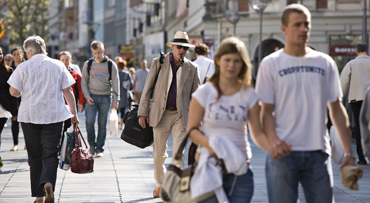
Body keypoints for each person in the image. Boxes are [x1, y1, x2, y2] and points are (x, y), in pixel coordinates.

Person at [255, 4, 356, 203]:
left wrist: (348, 152)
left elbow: (336, 108)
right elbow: (265, 111)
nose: (303, 29)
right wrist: (273, 141)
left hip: (318, 153)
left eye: (307, 25)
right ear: (284, 28)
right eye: (297, 25)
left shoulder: (324, 62)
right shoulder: (270, 63)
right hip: (282, 154)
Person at [187, 37, 271, 203]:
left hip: (241, 172)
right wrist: (212, 145)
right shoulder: (204, 93)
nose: (231, 65)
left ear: (243, 64)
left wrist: (274, 149)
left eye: (236, 61)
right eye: (227, 60)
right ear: (218, 60)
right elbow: (192, 130)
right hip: (209, 169)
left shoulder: (249, 95)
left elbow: (257, 133)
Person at [8, 35, 79, 203]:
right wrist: (74, 114)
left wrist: (22, 92)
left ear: (31, 51)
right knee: (50, 154)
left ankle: (39, 196)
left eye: (26, 52)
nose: (25, 56)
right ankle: (48, 182)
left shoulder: (24, 67)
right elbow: (68, 91)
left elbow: (13, 92)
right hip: (54, 115)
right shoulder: (58, 65)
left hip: (29, 115)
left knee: (34, 155)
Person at [138, 31, 200, 198]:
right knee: (159, 154)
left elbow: (197, 95)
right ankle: (160, 184)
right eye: (179, 47)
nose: (182, 50)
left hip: (181, 115)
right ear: (172, 46)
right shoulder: (159, 62)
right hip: (161, 114)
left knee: (179, 153)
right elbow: (147, 88)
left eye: (185, 48)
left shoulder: (192, 68)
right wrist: (142, 112)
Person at [81, 40, 120, 158]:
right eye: (95, 53)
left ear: (103, 51)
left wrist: (115, 101)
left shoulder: (111, 65)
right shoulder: (88, 64)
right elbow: (84, 82)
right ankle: (91, 146)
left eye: (99, 53)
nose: (97, 55)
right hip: (91, 97)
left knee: (102, 125)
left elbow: (116, 83)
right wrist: (87, 96)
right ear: (92, 52)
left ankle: (99, 148)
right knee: (89, 122)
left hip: (105, 98)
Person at [340, 43, 370, 165]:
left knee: (359, 126)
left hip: (356, 100)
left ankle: (362, 157)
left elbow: (343, 83)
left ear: (357, 52)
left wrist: (340, 97)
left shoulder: (351, 64)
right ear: (367, 52)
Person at [0, 46, 18, 172]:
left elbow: (11, 93)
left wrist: (14, 111)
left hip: (3, 108)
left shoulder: (8, 71)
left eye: (0, 53)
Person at [59, 51, 85, 134]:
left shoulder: (76, 74)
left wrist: (81, 102)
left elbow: (80, 89)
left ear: (70, 61)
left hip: (71, 105)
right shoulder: (55, 73)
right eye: (62, 60)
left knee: (69, 127)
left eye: (66, 59)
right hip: (58, 104)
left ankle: (68, 145)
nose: (64, 62)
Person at [9, 47, 26, 151]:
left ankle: (27, 143)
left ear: (22, 54)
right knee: (14, 120)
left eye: (18, 54)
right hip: (13, 98)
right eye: (14, 54)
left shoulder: (27, 66)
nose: (16, 56)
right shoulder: (9, 69)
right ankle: (15, 143)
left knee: (26, 122)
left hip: (25, 97)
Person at [117, 61, 132, 129]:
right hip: (124, 93)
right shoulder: (126, 74)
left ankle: (116, 122)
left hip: (116, 93)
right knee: (123, 110)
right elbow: (131, 85)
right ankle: (121, 125)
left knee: (116, 109)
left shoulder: (116, 73)